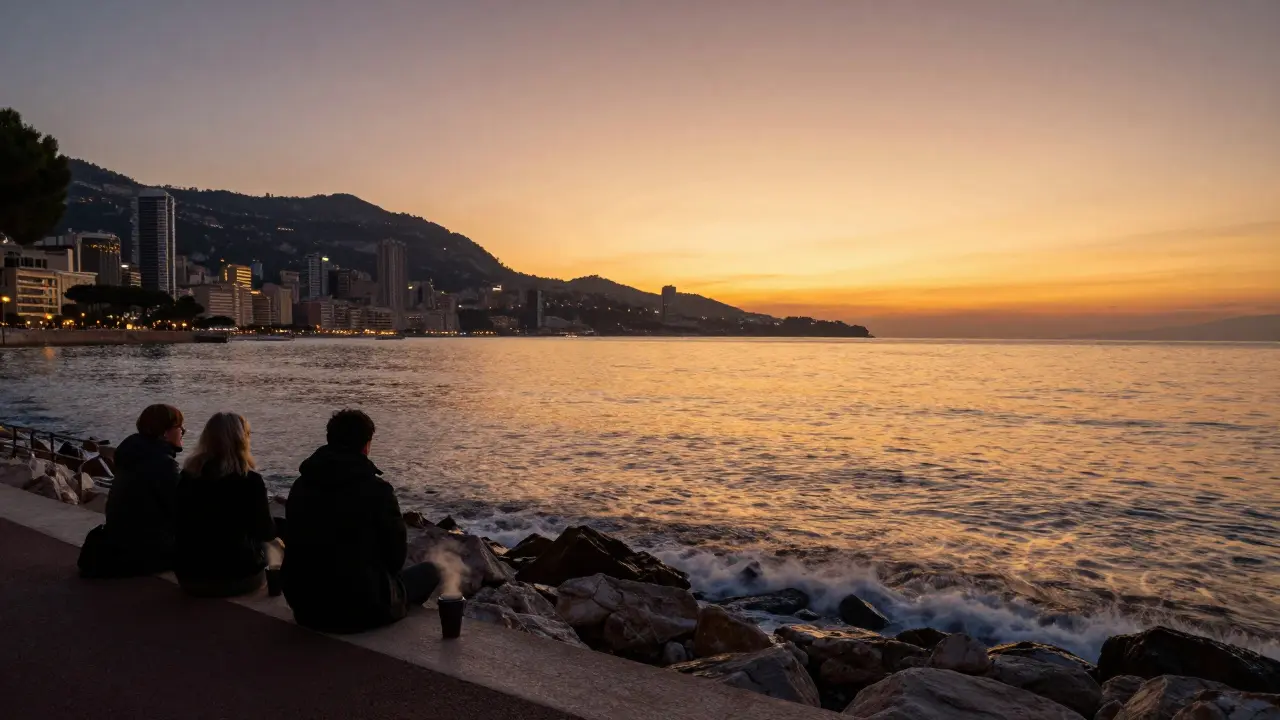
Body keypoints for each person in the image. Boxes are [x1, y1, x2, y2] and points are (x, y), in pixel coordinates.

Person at [282, 409, 439, 632]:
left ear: (330, 440)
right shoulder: (378, 492)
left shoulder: (301, 485)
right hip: (359, 608)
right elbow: (395, 560)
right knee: (431, 571)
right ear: (366, 445)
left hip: (305, 605)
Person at [174, 413, 280, 597]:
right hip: (234, 578)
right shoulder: (250, 480)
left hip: (189, 577)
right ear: (242, 439)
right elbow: (265, 532)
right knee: (277, 541)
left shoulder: (188, 476)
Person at [78, 404, 185, 578]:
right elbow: (180, 510)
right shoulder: (162, 464)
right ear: (165, 433)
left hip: (119, 542)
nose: (182, 431)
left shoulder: (130, 453)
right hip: (145, 551)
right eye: (179, 427)